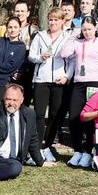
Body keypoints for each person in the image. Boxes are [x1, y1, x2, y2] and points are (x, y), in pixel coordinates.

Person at [65, 17, 98, 168]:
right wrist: (73, 35)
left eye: (89, 29)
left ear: (95, 29)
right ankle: (77, 150)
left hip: (95, 83)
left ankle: (87, 151)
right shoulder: (77, 44)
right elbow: (64, 53)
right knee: (74, 116)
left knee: (91, 118)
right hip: (79, 83)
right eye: (84, 29)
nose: (87, 32)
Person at [27, 8, 70, 162]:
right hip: (41, 80)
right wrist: (40, 57)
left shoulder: (67, 37)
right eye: (51, 19)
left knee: (54, 115)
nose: (53, 22)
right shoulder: (40, 36)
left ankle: (47, 146)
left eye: (56, 20)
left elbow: (71, 60)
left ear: (62, 21)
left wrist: (66, 76)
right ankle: (36, 148)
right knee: (39, 115)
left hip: (59, 81)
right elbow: (31, 56)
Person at [0, 16, 31, 101]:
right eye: (10, 27)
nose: (12, 30)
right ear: (6, 28)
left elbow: (9, 67)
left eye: (15, 27)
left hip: (4, 84)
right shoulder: (0, 41)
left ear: (20, 29)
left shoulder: (21, 47)